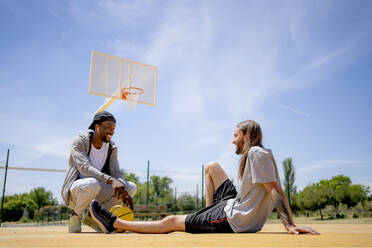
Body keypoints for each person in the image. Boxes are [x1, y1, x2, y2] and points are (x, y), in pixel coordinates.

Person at [89, 120, 319, 235]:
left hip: (234, 219)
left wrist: (290, 226)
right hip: (233, 205)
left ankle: (115, 223)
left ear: (247, 136)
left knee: (171, 222)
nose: (233, 140)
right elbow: (275, 188)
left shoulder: (257, 153)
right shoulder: (260, 154)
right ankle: (206, 213)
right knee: (212, 166)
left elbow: (275, 191)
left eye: (236, 136)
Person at [61, 111, 137, 233]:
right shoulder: (80, 141)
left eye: (113, 128)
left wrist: (121, 185)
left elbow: (116, 172)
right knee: (92, 183)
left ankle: (92, 218)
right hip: (76, 192)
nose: (111, 131)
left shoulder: (112, 147)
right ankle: (75, 217)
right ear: (97, 126)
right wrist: (111, 180)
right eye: (108, 127)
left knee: (131, 187)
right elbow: (84, 168)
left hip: (97, 191)